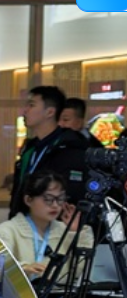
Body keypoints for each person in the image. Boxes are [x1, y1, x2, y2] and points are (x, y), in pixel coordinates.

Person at [0, 170, 92, 280]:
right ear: (28, 200)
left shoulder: (64, 230)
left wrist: (76, 232)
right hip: (23, 291)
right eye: (48, 199)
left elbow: (78, 274)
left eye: (60, 199)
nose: (55, 205)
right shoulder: (8, 229)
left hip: (58, 291)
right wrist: (22, 269)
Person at [9, 86, 90, 216]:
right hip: (25, 223)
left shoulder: (70, 148)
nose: (25, 111)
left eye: (31, 105)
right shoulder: (30, 149)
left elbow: (70, 198)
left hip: (54, 226)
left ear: (50, 112)